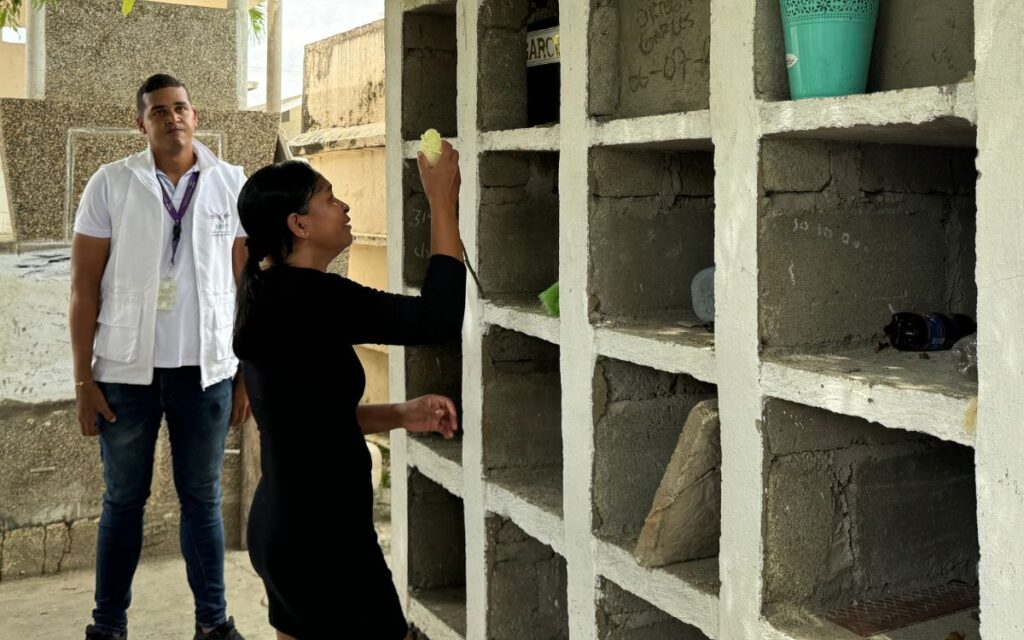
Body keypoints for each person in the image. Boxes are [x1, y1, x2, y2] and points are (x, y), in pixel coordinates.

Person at [232, 141, 466, 639]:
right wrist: (442, 201)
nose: (344, 207)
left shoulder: (265, 293)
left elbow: (310, 418)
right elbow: (437, 318)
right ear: (299, 225)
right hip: (325, 538)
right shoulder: (315, 297)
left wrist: (401, 413)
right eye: (330, 198)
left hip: (282, 529)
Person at [70, 73, 249, 640]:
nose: (172, 118)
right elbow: (82, 288)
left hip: (208, 373)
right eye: (158, 112)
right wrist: (83, 381)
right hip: (125, 375)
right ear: (140, 122)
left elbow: (250, 288)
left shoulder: (230, 184)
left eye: (181, 108)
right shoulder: (110, 183)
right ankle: (108, 626)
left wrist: (246, 373)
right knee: (123, 502)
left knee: (203, 500)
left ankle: (213, 625)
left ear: (195, 116)